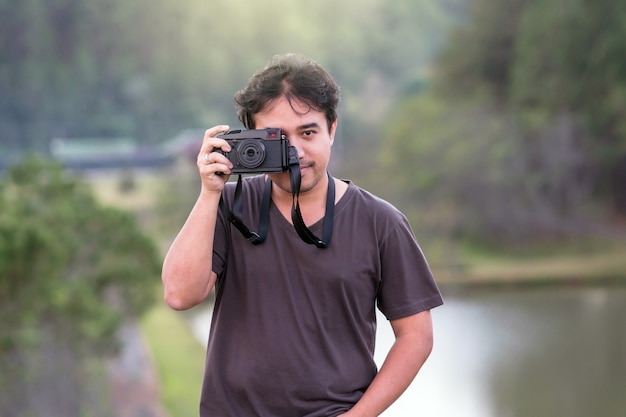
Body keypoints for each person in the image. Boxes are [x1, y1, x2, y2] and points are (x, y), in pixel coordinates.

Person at [162, 53, 443, 417]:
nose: (295, 151)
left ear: (332, 129)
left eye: (308, 132)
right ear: (251, 138)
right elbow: (179, 295)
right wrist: (210, 192)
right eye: (278, 138)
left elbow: (417, 336)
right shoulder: (227, 206)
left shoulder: (380, 222)